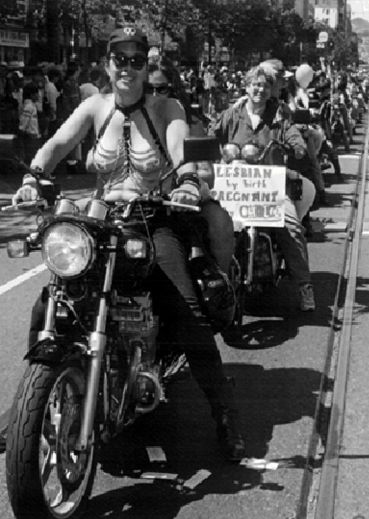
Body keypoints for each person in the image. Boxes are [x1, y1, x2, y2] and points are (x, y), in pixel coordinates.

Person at [5, 27, 246, 461]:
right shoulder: (96, 106)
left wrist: (189, 180)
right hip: (101, 218)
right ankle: (28, 405)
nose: (128, 68)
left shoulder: (164, 107)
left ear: (146, 64)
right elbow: (58, 142)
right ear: (108, 63)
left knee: (188, 311)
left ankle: (224, 415)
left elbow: (181, 151)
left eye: (138, 60)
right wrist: (33, 176)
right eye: (121, 58)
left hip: (152, 219)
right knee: (52, 299)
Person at [209, 65, 316, 312]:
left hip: (271, 190)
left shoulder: (279, 115)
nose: (260, 89)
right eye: (255, 84)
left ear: (272, 90)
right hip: (235, 190)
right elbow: (211, 134)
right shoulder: (232, 114)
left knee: (291, 225)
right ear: (246, 87)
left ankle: (304, 286)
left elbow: (293, 138)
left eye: (265, 85)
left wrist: (296, 147)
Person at [147, 59, 235, 274]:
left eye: (161, 89)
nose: (155, 95)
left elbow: (205, 170)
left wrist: (187, 188)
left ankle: (221, 283)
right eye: (148, 89)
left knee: (220, 222)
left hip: (183, 201)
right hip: (139, 204)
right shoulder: (126, 121)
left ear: (173, 89)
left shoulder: (190, 122)